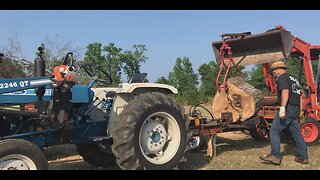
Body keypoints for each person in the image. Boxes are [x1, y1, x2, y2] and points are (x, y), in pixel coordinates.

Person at [259, 60, 309, 165]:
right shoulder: (293, 79)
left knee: (274, 130)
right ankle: (304, 157)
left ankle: (275, 156)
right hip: (295, 109)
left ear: (279, 69)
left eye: (274, 71)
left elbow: (285, 92)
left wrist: (282, 108)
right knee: (296, 133)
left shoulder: (282, 78)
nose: (273, 73)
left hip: (288, 108)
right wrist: (300, 111)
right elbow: (300, 96)